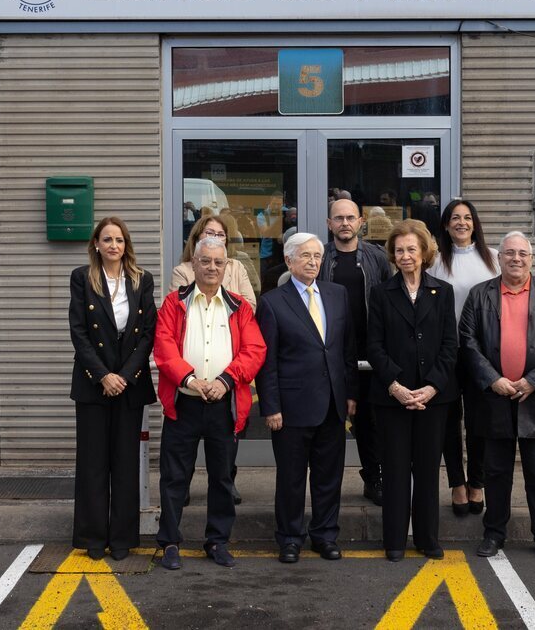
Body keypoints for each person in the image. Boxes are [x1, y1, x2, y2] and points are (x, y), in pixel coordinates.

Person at [153, 237, 267, 570]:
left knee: (221, 478)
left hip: (224, 404)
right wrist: (189, 379)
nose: (212, 268)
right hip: (183, 403)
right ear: (194, 264)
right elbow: (164, 348)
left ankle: (217, 540)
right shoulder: (174, 303)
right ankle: (170, 542)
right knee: (174, 477)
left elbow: (254, 350)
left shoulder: (239, 306)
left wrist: (224, 381)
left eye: (219, 262)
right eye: (205, 261)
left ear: (227, 265)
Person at [460, 231, 535, 562]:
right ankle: (494, 533)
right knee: (496, 473)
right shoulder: (480, 295)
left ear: (531, 258)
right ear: (499, 258)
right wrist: (492, 378)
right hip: (494, 399)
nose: (516, 259)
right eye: (509, 253)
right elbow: (468, 341)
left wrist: (534, 381)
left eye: (522, 253)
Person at [255, 233, 358, 564]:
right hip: (291, 407)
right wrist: (270, 406)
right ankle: (289, 538)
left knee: (329, 476)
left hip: (332, 403)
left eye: (317, 256)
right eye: (306, 256)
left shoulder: (337, 295)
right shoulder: (272, 302)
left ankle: (325, 536)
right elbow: (266, 361)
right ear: (288, 261)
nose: (313, 262)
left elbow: (346, 350)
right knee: (291, 478)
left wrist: (351, 394)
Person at [367, 219, 458, 562]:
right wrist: (395, 386)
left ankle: (427, 539)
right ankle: (394, 541)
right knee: (393, 470)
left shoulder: (442, 292)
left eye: (411, 249)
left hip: (433, 399)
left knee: (427, 470)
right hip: (393, 398)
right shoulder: (381, 293)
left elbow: (451, 344)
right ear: (392, 254)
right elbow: (373, 346)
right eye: (399, 250)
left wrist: (432, 387)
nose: (405, 256)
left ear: (424, 252)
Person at [68, 216, 156, 561]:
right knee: (92, 462)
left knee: (124, 463)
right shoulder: (82, 278)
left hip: (129, 385)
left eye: (119, 240)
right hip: (93, 384)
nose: (113, 246)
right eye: (107, 240)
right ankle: (92, 537)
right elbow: (79, 332)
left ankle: (122, 538)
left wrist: (125, 375)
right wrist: (103, 375)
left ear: (126, 245)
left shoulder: (141, 280)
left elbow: (148, 332)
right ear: (96, 244)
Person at [426, 198, 499, 516]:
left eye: (467, 217)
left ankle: (477, 484)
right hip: (447, 353)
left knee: (479, 421)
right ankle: (457, 483)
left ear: (475, 223)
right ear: (445, 224)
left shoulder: (494, 259)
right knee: (449, 421)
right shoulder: (436, 262)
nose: (461, 222)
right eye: (454, 217)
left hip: (482, 353)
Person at [317, 198, 391, 506]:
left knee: (369, 421)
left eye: (350, 218)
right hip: (332, 352)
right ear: (329, 224)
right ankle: (326, 486)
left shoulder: (377, 257)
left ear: (361, 222)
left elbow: (390, 300)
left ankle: (373, 477)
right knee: (331, 420)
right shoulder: (320, 257)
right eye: (339, 218)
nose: (345, 223)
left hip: (370, 352)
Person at [171, 215, 257, 309]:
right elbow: (177, 310)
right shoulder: (182, 272)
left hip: (233, 324)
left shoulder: (237, 267)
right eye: (210, 233)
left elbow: (250, 307)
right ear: (196, 238)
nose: (215, 238)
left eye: (221, 235)